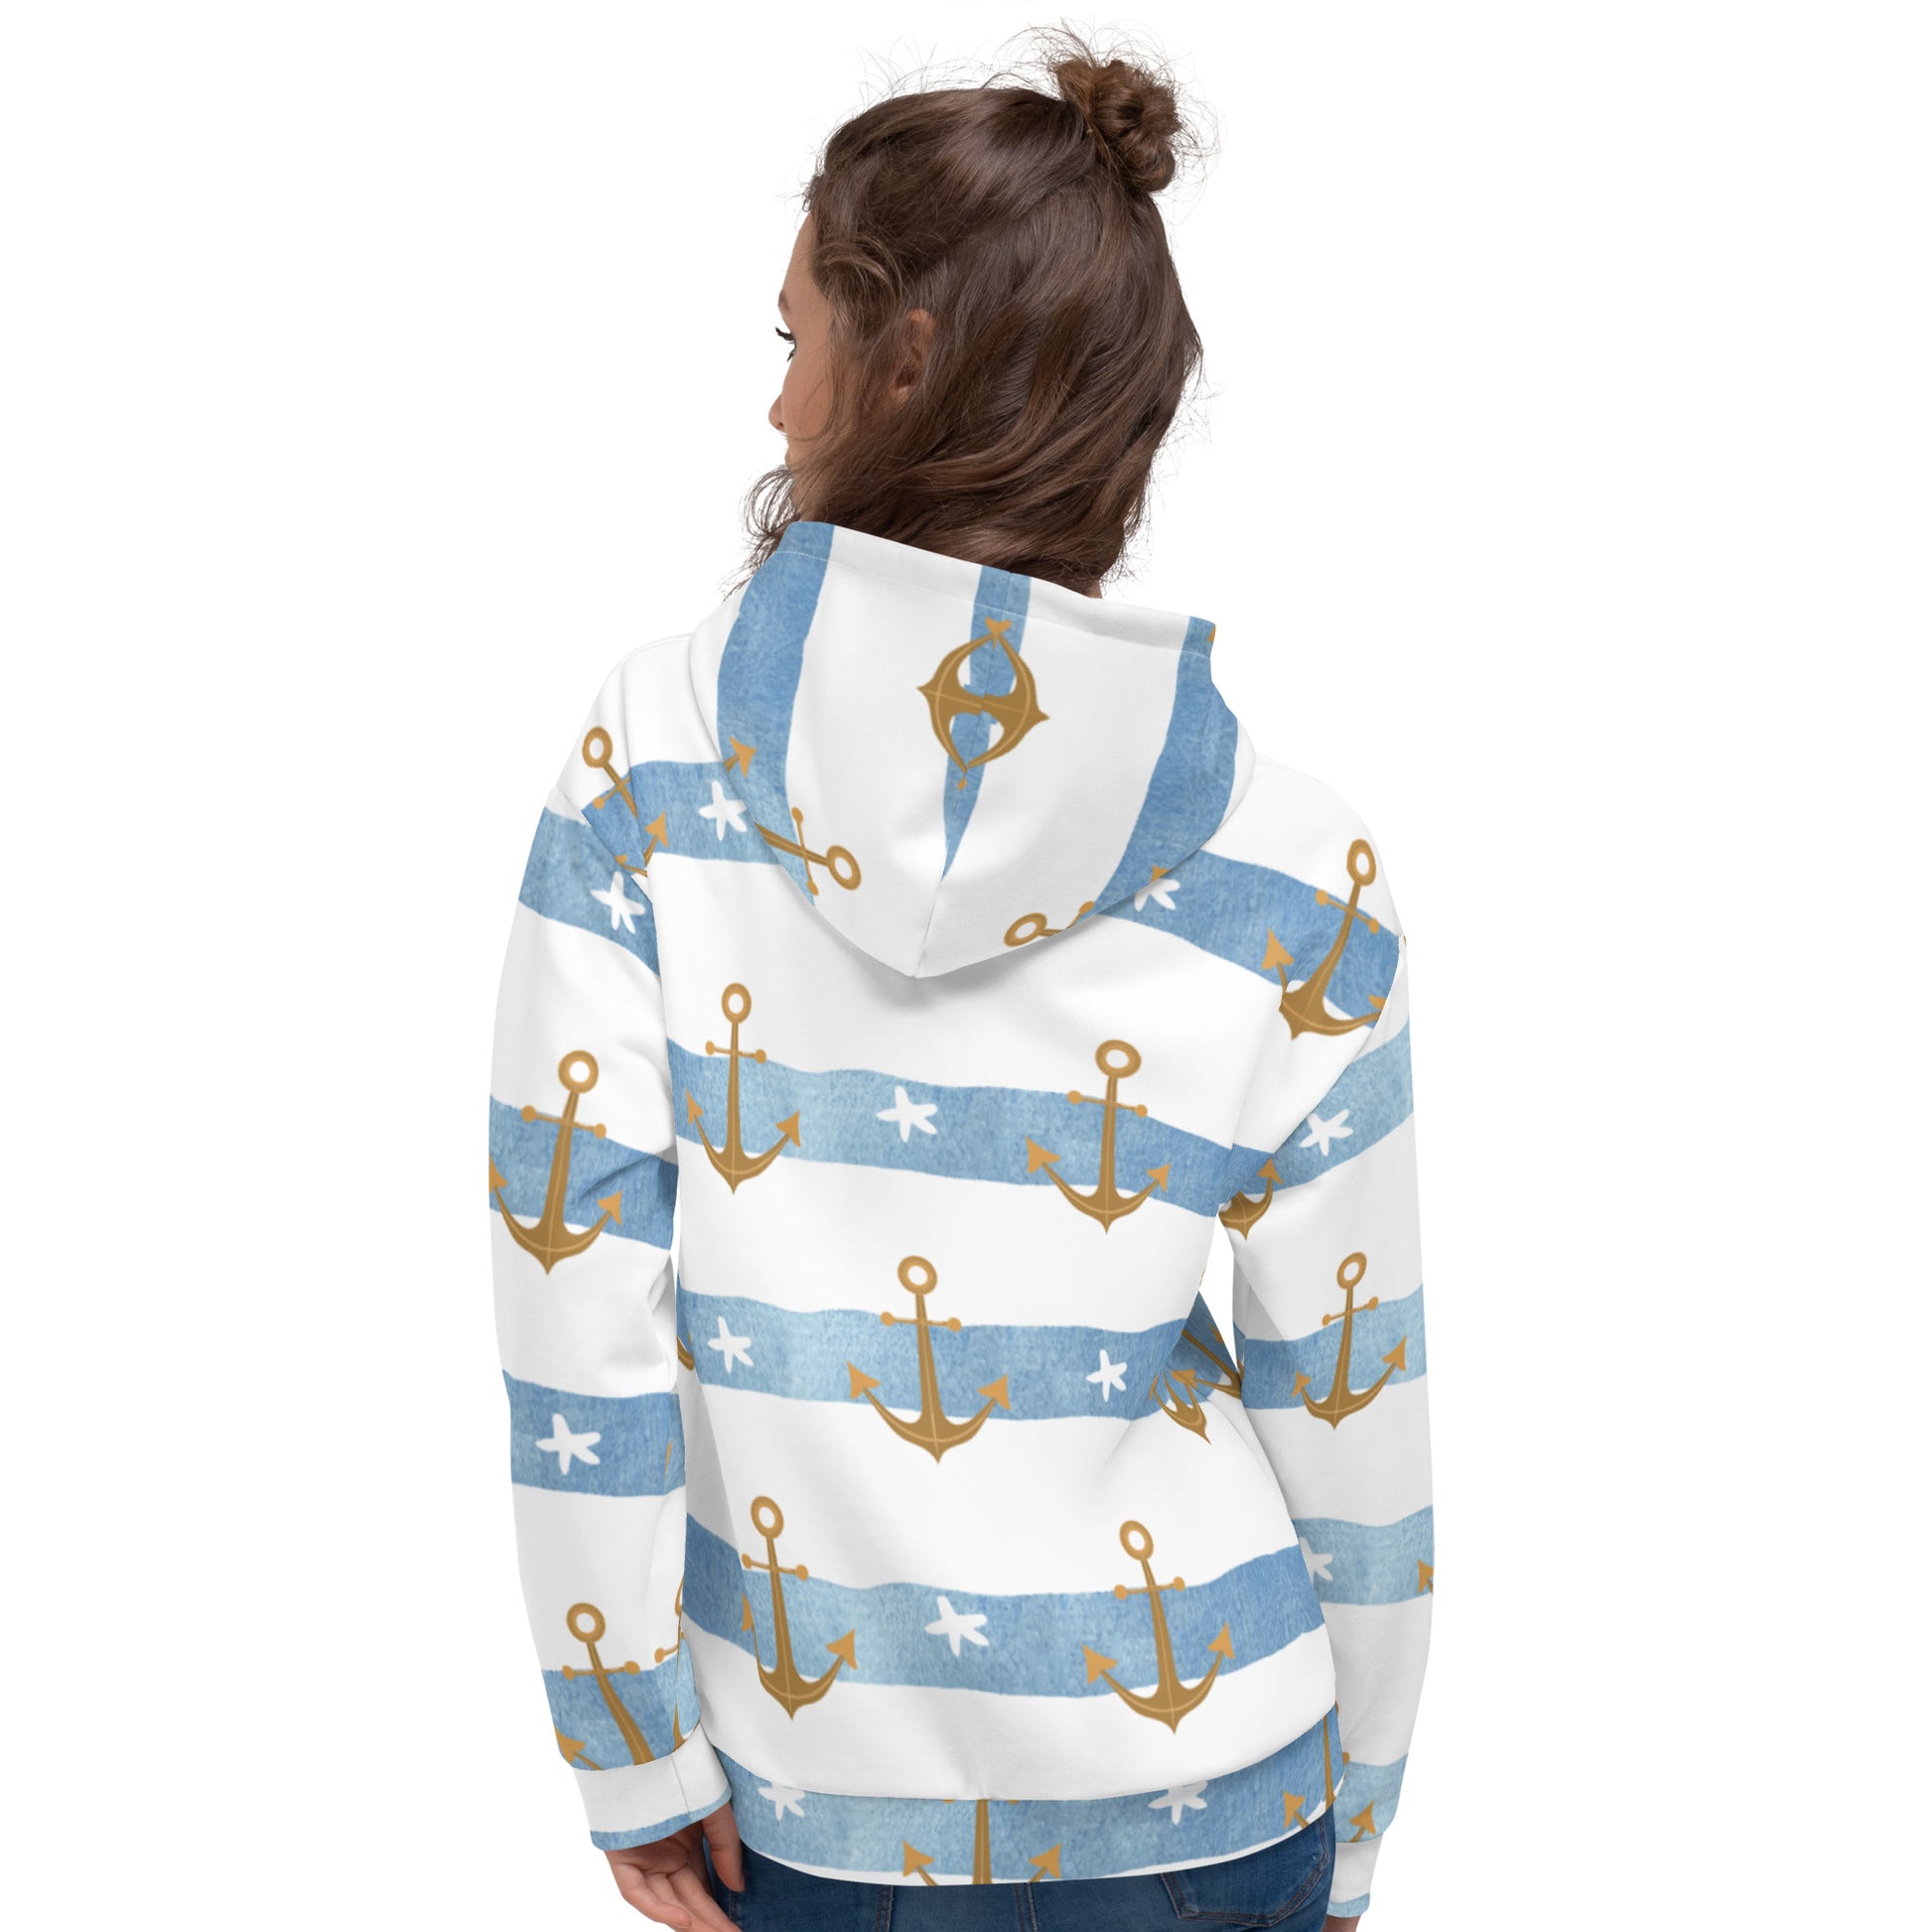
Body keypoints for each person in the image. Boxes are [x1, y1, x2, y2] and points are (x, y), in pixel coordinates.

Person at [486, 27, 1433, 1931]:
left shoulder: (650, 767)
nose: (775, 406)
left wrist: (629, 1741)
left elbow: (572, 1289)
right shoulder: (1290, 862)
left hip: (814, 1809)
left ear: (900, 360)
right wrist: (1359, 1807)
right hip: (1221, 1804)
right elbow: (1352, 1388)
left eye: (792, 340)